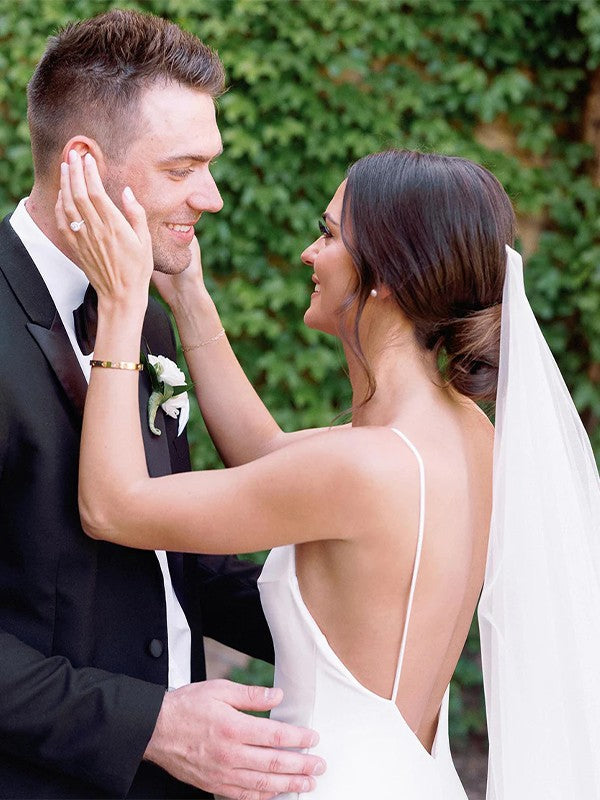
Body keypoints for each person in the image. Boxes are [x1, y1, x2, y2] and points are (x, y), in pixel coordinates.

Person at [61, 146, 600, 800]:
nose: (308, 255)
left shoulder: (360, 467)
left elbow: (113, 507)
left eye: (329, 235)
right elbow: (267, 455)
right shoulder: (460, 434)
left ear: (388, 278)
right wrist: (188, 295)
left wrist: (122, 306)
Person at [0, 9, 325, 800]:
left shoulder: (142, 313)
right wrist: (151, 724)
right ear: (84, 164)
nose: (210, 197)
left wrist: (340, 630)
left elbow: (177, 550)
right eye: (182, 168)